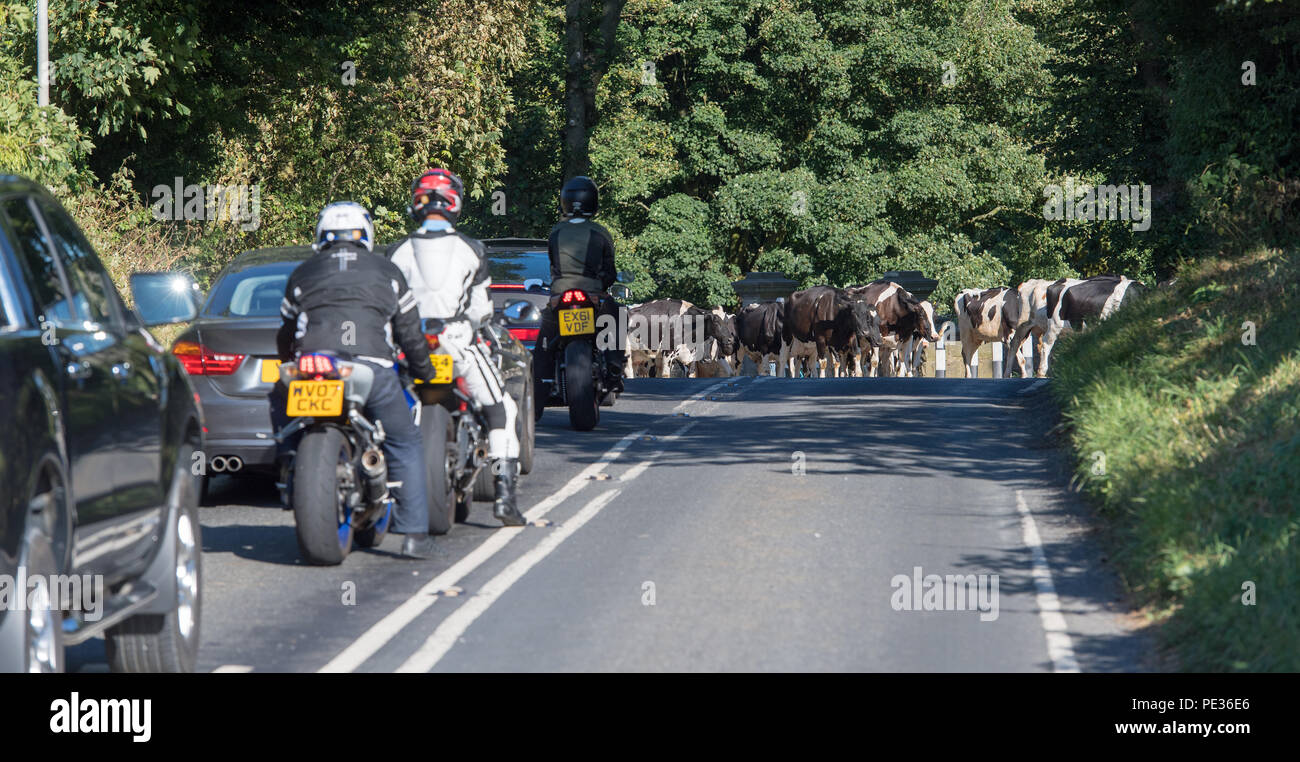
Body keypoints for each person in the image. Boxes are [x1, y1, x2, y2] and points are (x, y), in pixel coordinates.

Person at [275, 201, 440, 559]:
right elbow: (410, 335)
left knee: (278, 398)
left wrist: (289, 361)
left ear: (321, 235)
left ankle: (288, 459)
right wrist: (425, 375)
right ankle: (412, 533)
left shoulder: (303, 272)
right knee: (404, 440)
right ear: (365, 233)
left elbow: (286, 332)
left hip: (311, 365)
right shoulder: (388, 272)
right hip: (370, 367)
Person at [388, 169, 526, 526]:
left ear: (417, 202)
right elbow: (480, 310)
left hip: (409, 345)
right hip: (458, 343)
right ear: (455, 202)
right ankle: (504, 497)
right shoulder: (472, 249)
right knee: (501, 410)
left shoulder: (397, 252)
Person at [532, 175, 625, 402]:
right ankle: (614, 367)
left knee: (544, 344)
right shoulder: (601, 232)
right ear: (593, 202)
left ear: (564, 201)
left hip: (560, 297)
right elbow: (610, 272)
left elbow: (554, 267)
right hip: (592, 296)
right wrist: (601, 286)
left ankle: (537, 388)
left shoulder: (556, 233)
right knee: (619, 316)